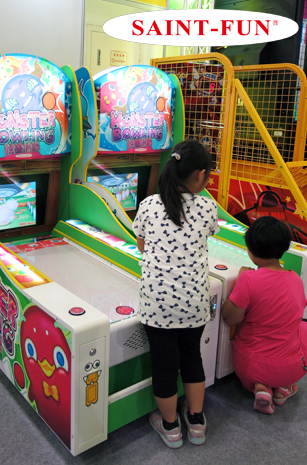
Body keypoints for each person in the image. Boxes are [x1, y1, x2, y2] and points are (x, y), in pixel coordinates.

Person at [132, 138, 219, 448]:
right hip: (195, 302)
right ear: (199, 175)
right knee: (192, 358)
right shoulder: (208, 206)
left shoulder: (148, 205)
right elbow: (208, 234)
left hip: (157, 304)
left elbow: (142, 246)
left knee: (164, 366)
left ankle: (170, 427)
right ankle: (196, 423)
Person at [222, 216, 307, 414]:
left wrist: (238, 283)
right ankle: (282, 387)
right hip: (290, 369)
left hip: (249, 366)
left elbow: (230, 317)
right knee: (302, 327)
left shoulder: (248, 278)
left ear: (251, 251)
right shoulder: (296, 279)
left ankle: (261, 387)